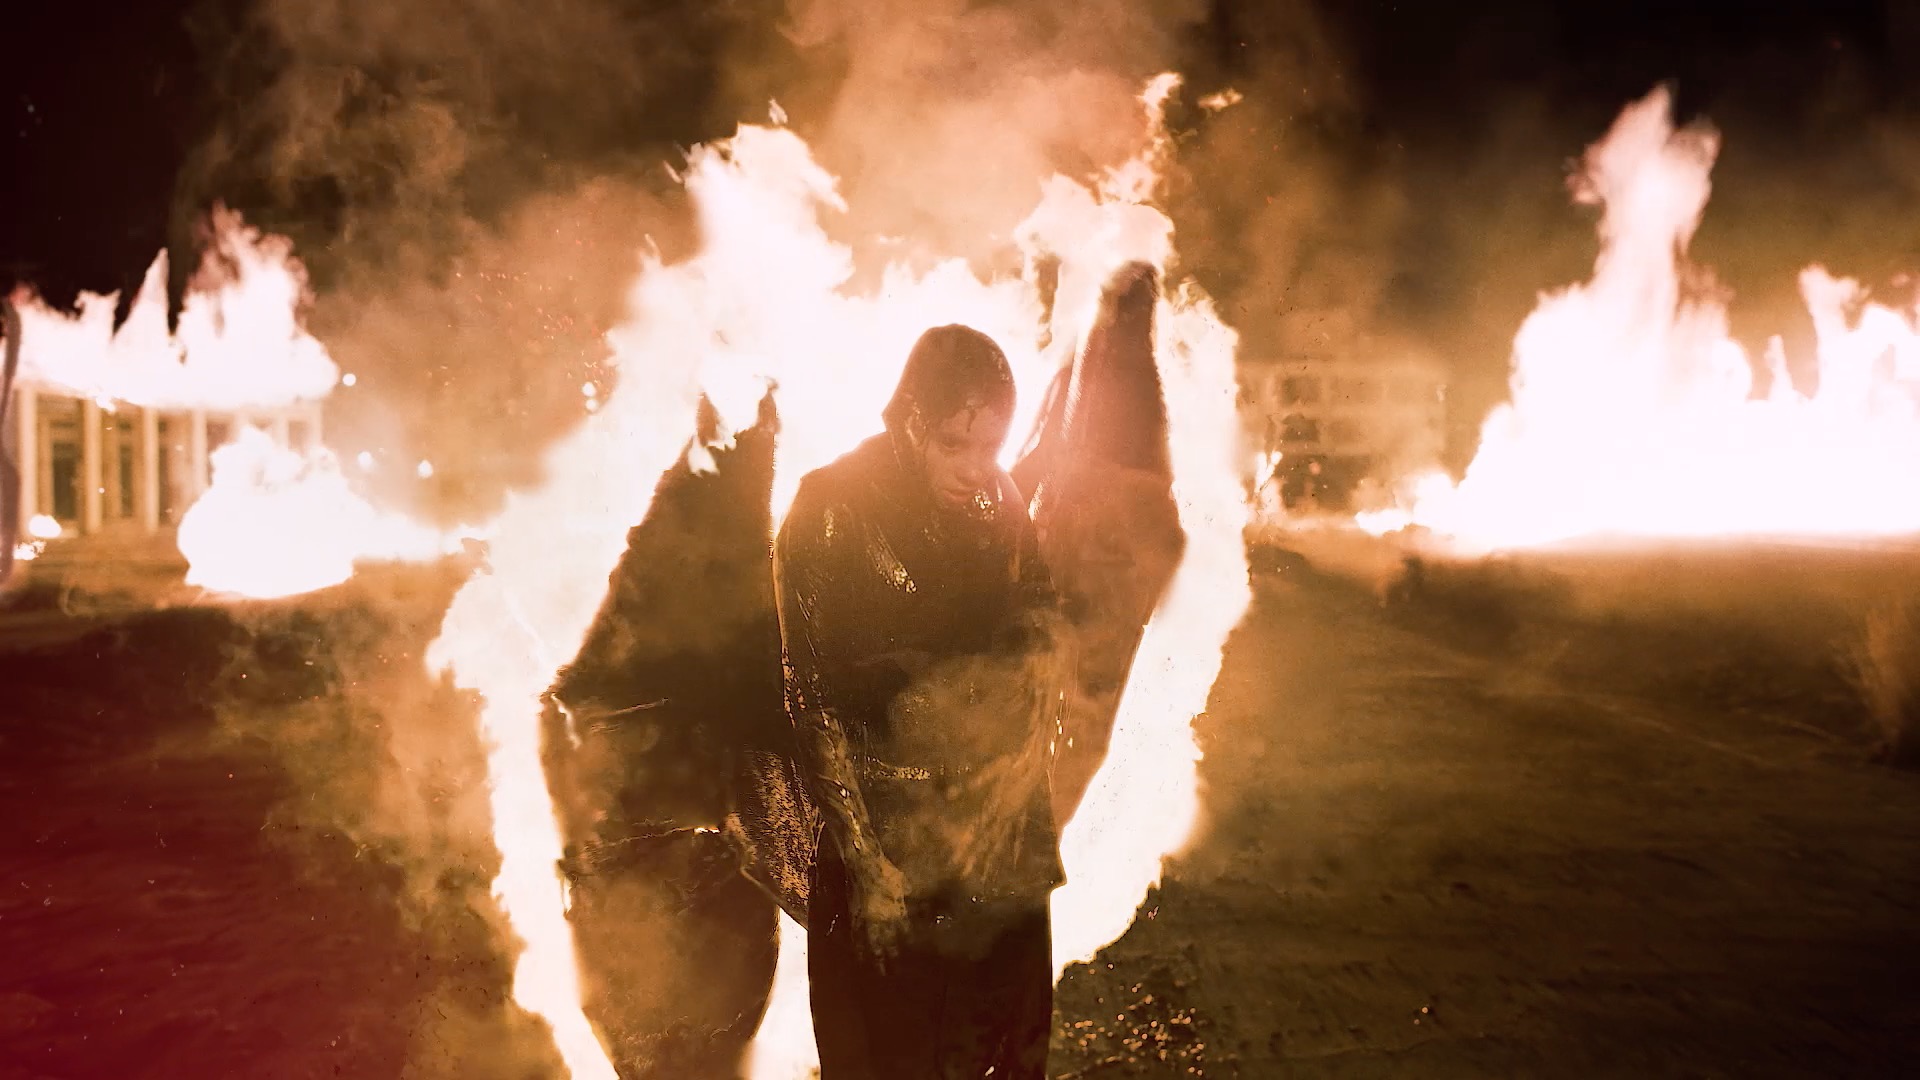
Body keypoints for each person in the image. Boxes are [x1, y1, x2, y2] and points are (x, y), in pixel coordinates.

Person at [774, 324, 1065, 1079]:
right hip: (888, 851)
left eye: (990, 446)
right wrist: (871, 872)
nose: (976, 468)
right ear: (907, 420)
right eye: (953, 444)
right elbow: (813, 698)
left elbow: (1040, 625)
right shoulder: (831, 505)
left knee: (1002, 1056)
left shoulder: (997, 502)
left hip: (997, 847)